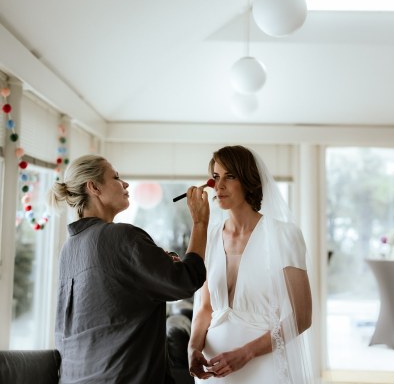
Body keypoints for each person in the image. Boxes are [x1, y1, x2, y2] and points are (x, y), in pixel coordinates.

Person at [47, 154, 209, 384]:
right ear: (94, 187)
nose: (125, 184)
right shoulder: (121, 236)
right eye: (116, 177)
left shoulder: (69, 249)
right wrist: (200, 223)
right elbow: (184, 282)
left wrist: (162, 260)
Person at [188, 145, 314, 383]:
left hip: (264, 368)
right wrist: (193, 347)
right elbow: (205, 307)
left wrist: (245, 354)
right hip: (216, 372)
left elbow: (302, 316)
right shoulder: (211, 236)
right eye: (216, 177)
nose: (220, 185)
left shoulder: (283, 235)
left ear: (248, 180)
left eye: (230, 176)